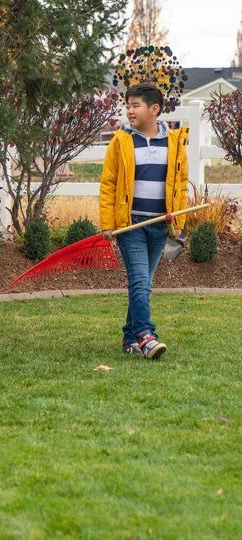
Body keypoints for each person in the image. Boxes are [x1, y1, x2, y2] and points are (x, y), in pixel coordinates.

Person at [99, 82, 189, 359]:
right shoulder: (122, 141)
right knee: (140, 280)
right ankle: (146, 335)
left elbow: (181, 184)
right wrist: (107, 223)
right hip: (130, 225)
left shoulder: (174, 142)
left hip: (161, 224)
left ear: (154, 109)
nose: (129, 110)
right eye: (127, 105)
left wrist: (179, 223)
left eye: (135, 105)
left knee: (144, 282)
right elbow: (109, 183)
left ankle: (129, 338)